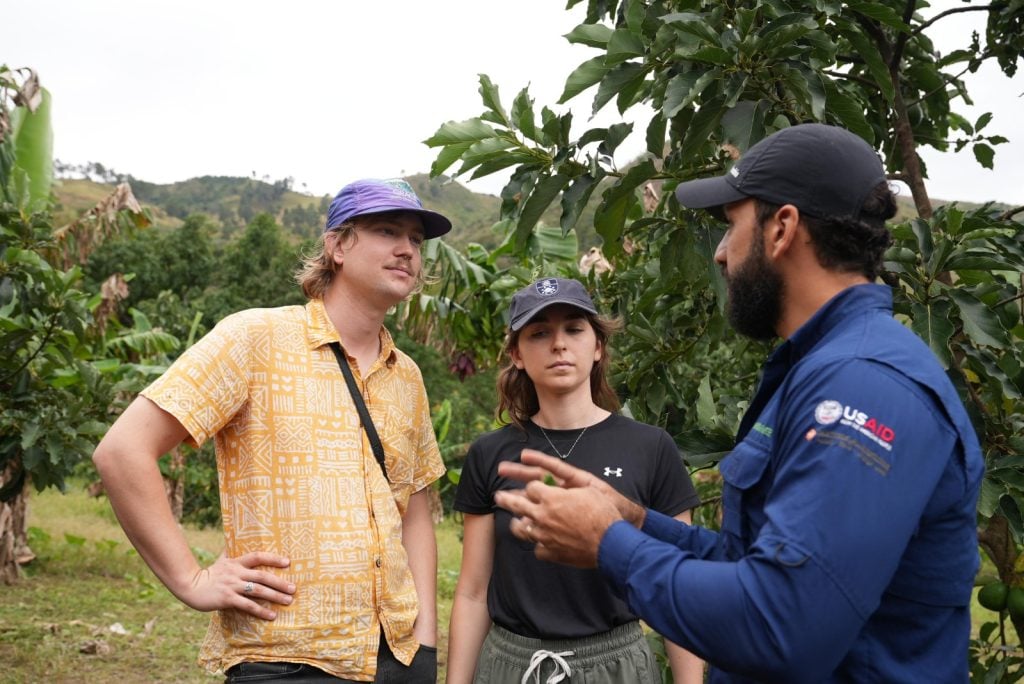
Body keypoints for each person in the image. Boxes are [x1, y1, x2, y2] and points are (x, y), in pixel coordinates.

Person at [494, 124, 985, 682]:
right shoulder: (818, 369)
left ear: (781, 229)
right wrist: (634, 522)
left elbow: (783, 625)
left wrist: (610, 546)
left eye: (731, 228)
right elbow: (759, 566)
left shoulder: (862, 386)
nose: (723, 255)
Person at [92, 178, 452, 682]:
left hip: (396, 655)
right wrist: (191, 579)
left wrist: (427, 641)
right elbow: (123, 450)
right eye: (387, 230)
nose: (406, 249)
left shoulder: (406, 375)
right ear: (338, 245)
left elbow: (413, 509)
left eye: (416, 239)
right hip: (284, 656)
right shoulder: (256, 338)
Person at [447, 277, 705, 684]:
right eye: (539, 333)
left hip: (618, 666)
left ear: (598, 346)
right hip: (511, 667)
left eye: (574, 328)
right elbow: (473, 591)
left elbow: (677, 583)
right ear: (516, 353)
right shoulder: (490, 454)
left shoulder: (650, 447)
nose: (559, 344)